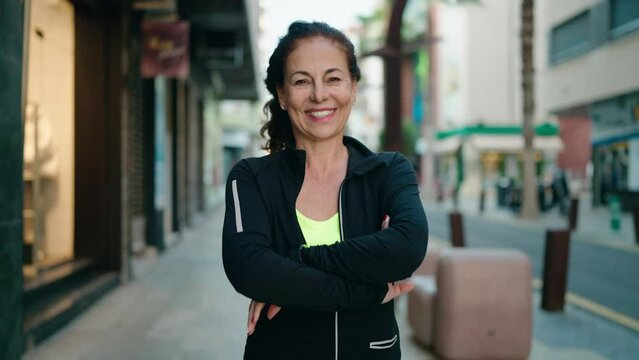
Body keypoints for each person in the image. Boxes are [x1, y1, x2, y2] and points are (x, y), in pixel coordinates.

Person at [222, 21, 428, 360]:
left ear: (353, 87)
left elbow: (407, 248)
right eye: (302, 81)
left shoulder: (389, 171)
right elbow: (248, 268)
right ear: (283, 95)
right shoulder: (251, 178)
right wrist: (370, 291)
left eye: (333, 78)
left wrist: (293, 262)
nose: (320, 95)